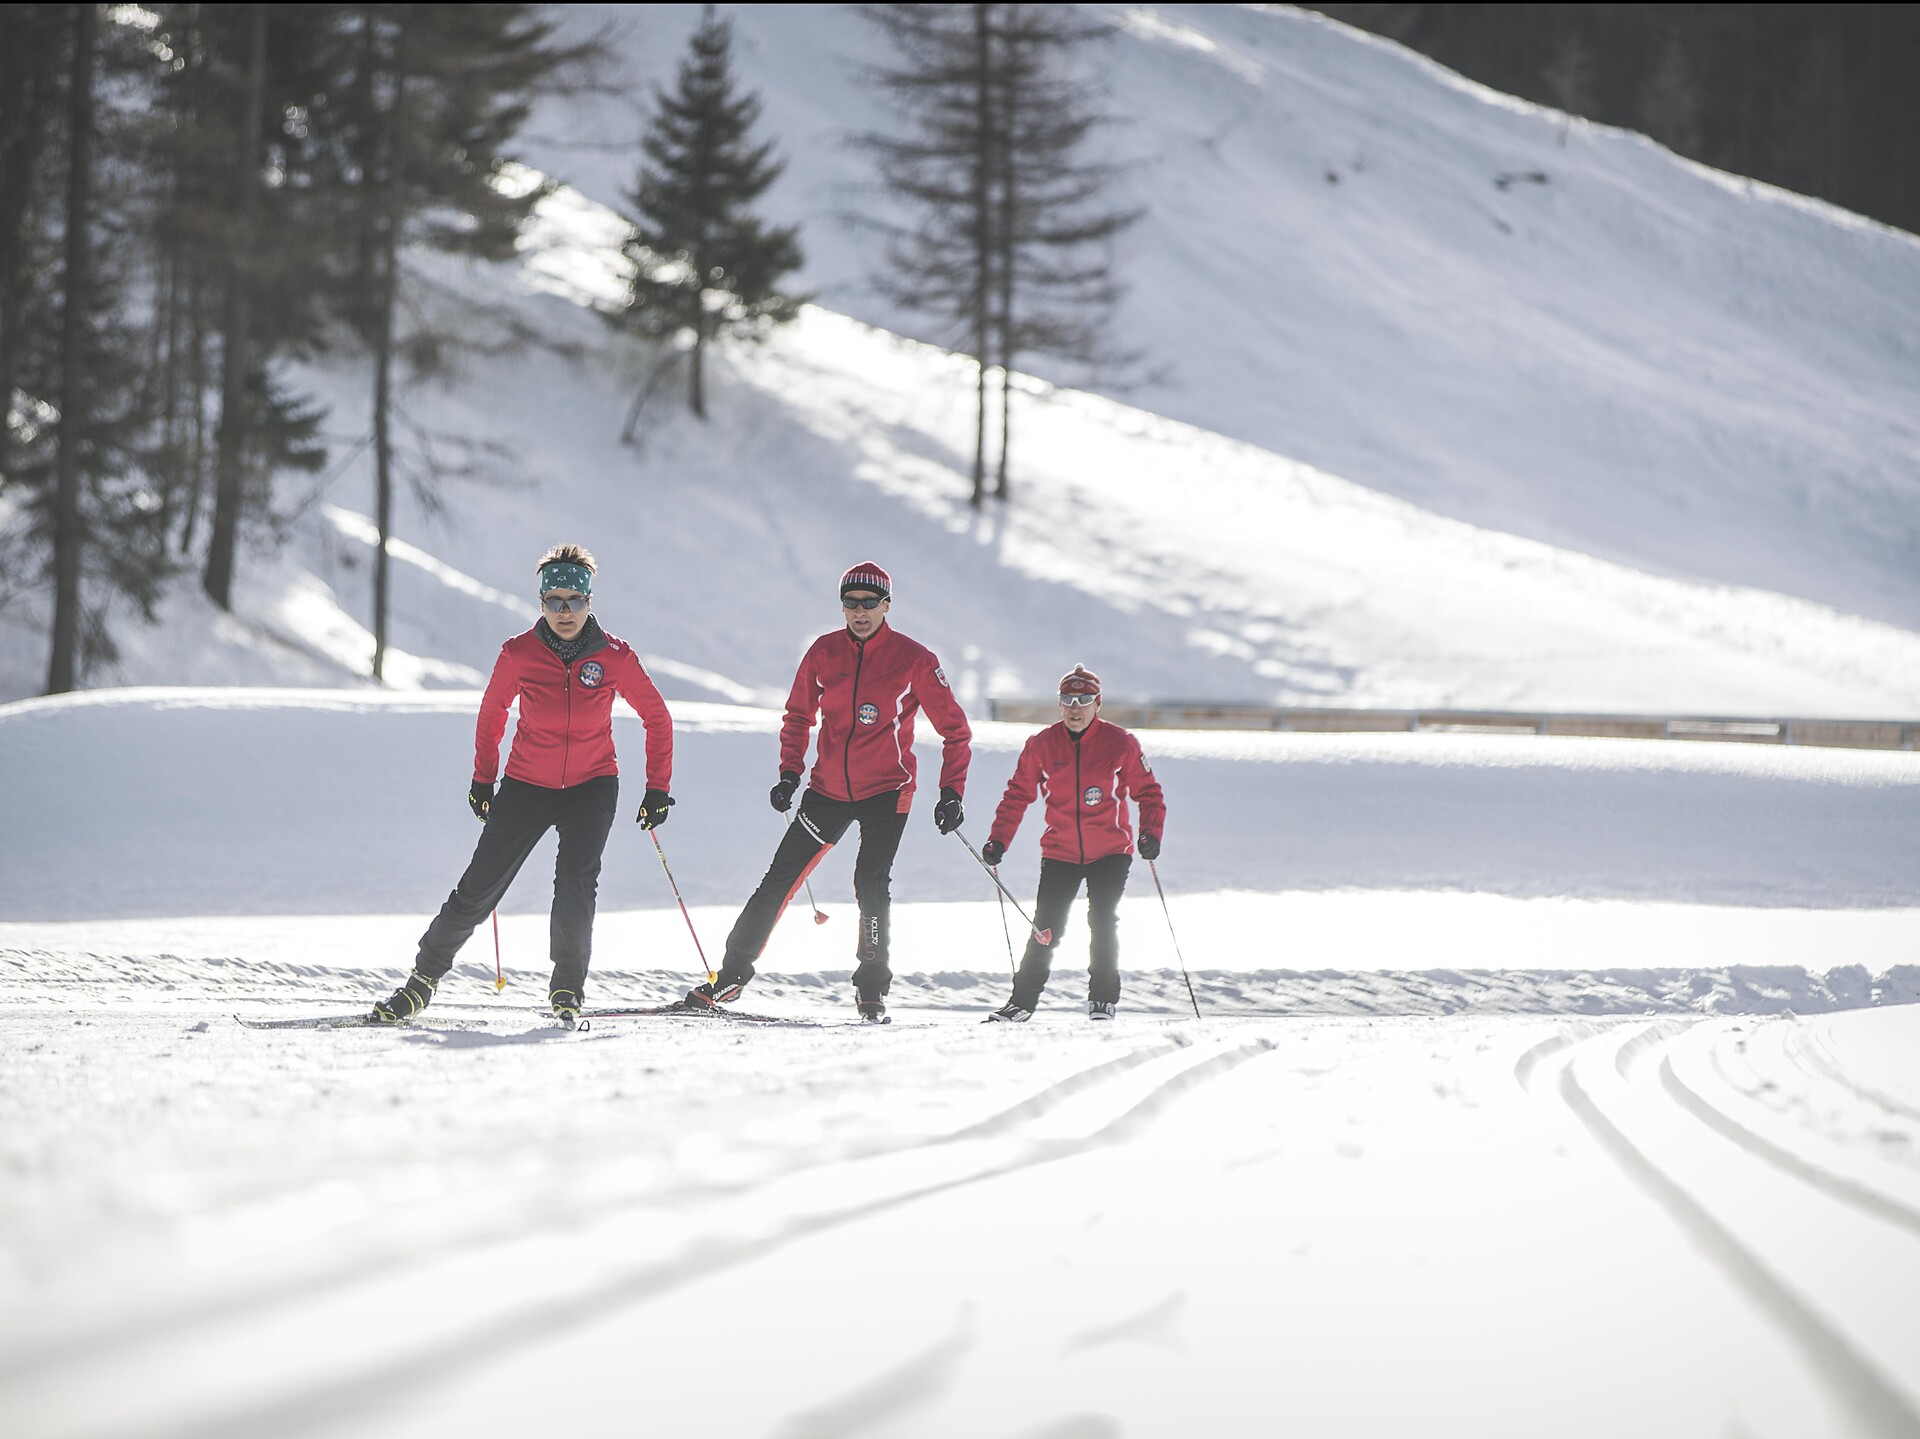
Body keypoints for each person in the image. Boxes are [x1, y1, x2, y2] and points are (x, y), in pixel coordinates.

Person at [372, 544, 674, 1025]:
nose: (564, 611)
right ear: (540, 603)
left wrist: (657, 788)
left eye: (573, 600)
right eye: (553, 601)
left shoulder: (616, 656)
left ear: (589, 601)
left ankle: (567, 990)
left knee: (576, 884)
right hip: (527, 783)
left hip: (593, 785)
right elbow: (492, 715)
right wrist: (482, 779)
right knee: (478, 888)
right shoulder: (518, 653)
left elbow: (657, 717)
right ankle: (420, 982)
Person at [687, 562, 971, 1022]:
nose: (859, 613)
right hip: (828, 790)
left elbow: (956, 732)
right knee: (780, 877)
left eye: (870, 604)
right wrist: (788, 773)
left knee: (870, 883)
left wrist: (951, 792)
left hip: (887, 791)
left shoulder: (915, 659)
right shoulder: (823, 652)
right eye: (850, 603)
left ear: (886, 606)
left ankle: (872, 987)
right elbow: (798, 716)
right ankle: (732, 975)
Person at [982, 664, 1166, 1021]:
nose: (1075, 707)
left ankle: (1102, 1000)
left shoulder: (1120, 743)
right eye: (1067, 699)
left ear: (1098, 704)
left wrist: (1150, 834)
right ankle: (1021, 1003)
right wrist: (998, 840)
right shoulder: (1041, 745)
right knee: (1046, 926)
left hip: (1111, 850)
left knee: (1101, 919)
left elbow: (1149, 794)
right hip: (1060, 851)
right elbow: (1017, 795)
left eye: (1084, 700)